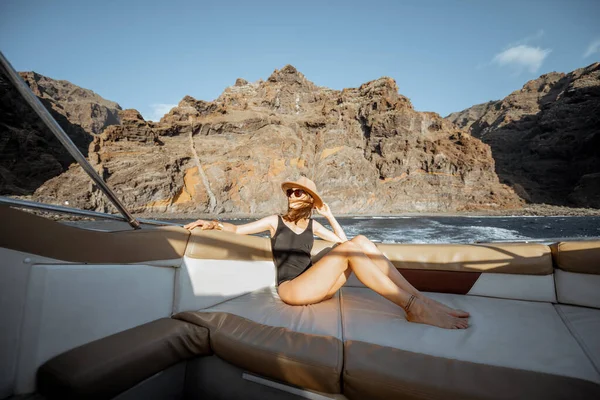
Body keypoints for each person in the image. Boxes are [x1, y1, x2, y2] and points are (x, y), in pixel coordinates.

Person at [184, 176, 469, 329]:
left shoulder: (314, 225)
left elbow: (351, 245)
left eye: (298, 192)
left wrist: (329, 215)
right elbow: (237, 231)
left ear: (309, 199)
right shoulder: (275, 221)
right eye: (290, 192)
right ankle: (412, 307)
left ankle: (420, 299)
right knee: (349, 249)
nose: (291, 196)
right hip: (292, 289)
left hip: (316, 284)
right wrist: (212, 224)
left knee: (361, 240)